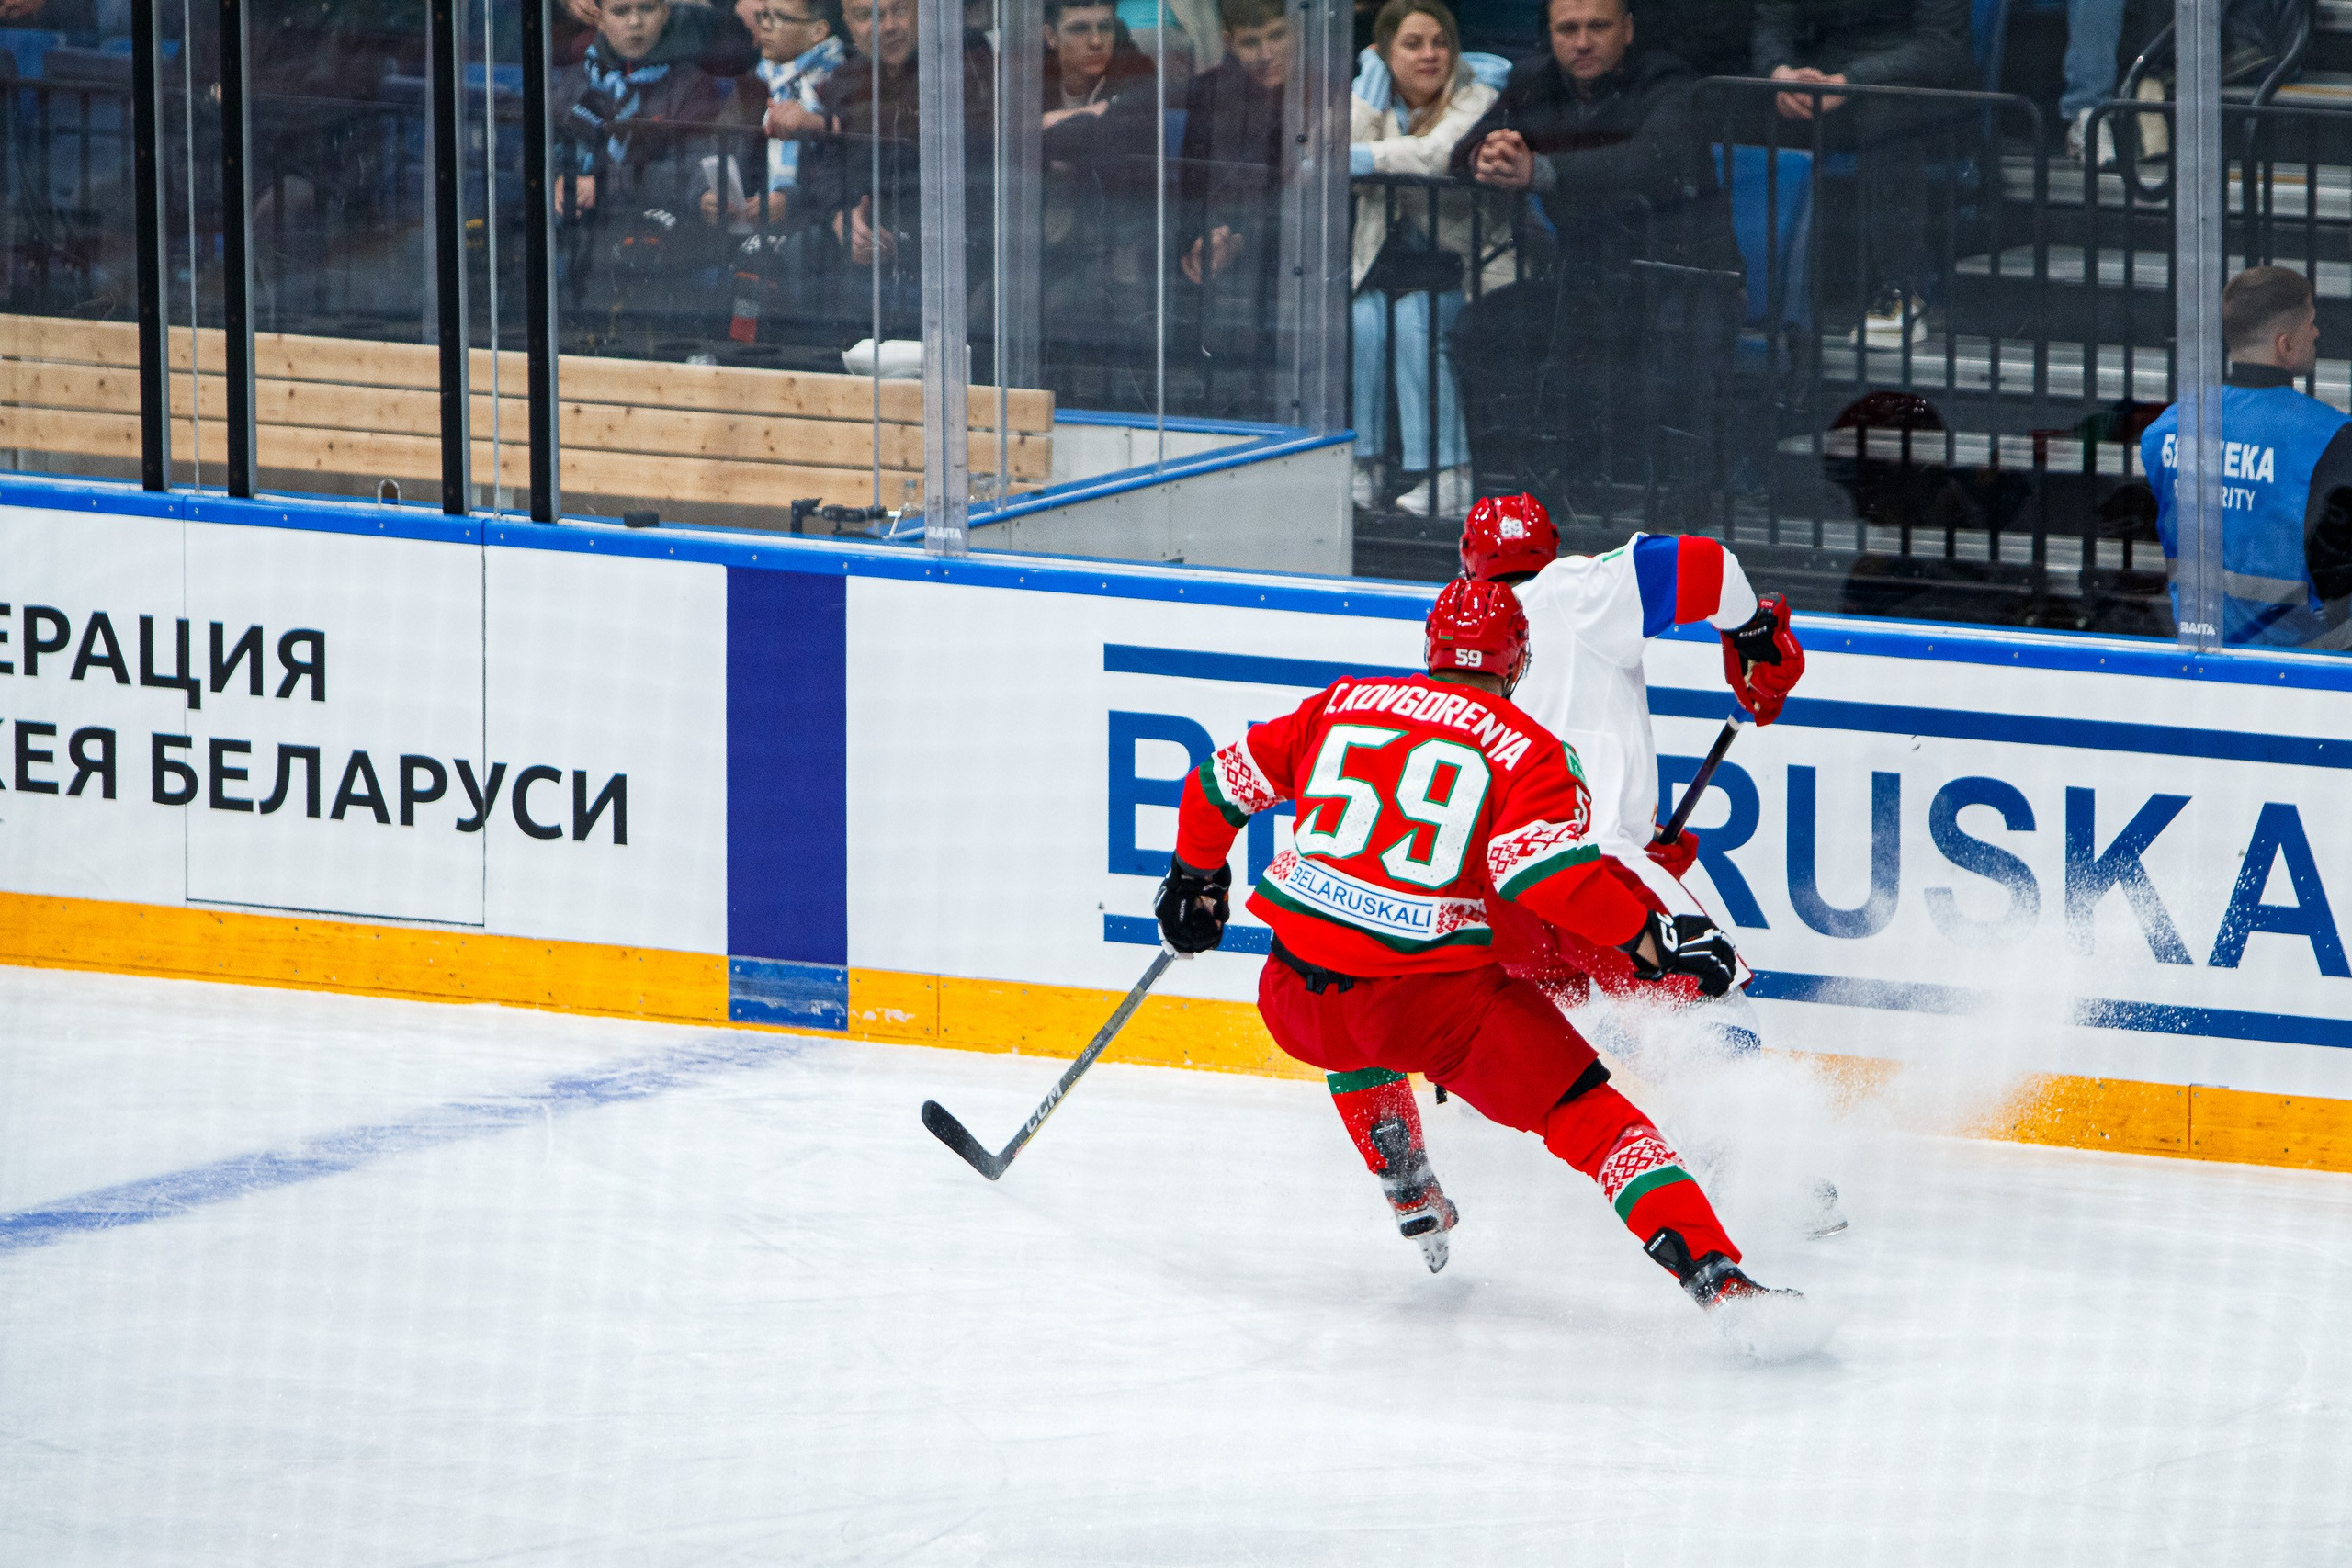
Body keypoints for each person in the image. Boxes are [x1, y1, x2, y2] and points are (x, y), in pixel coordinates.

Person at [1154, 577, 1810, 1335]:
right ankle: (1719, 1280)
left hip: (1291, 998)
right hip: (1430, 1011)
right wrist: (1652, 938)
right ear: (1518, 661)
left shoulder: (1340, 703)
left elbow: (1216, 784)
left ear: (1430, 649)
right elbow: (1544, 876)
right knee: (1593, 1118)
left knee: (1350, 1015)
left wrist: (1195, 881)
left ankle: (1407, 1181)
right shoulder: (1531, 749)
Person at [1455, 494, 1848, 1237]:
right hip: (1589, 867)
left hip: (1494, 900)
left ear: (1468, 562)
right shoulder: (1577, 590)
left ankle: (1698, 1137)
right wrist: (1752, 630)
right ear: (1551, 547)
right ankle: (1762, 1168)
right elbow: (1708, 565)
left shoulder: (1457, 650)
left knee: (1605, 1005)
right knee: (1703, 992)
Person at [1444, 0, 1742, 506]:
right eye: (1568, 29)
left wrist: (1541, 171)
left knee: (1667, 346)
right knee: (1481, 327)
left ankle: (1678, 508)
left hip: (1688, 277)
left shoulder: (1669, 82)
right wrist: (1487, 154)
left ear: (1627, 29)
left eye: (1597, 27)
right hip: (1586, 278)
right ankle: (1539, 484)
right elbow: (1468, 147)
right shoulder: (1535, 80)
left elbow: (1651, 160)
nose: (1582, 42)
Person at [2143, 266, 2352, 650]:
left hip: (2200, 641)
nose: (2317, 333)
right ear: (2285, 344)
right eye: (2311, 322)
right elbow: (2337, 573)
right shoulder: (2331, 437)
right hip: (2302, 650)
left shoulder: (2167, 430)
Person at [1750, 0, 1976, 348]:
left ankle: (1904, 293)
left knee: (1885, 115)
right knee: (1723, 102)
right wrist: (1780, 73)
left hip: (1920, 91)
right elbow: (1773, 21)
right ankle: (1738, 289)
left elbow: (1941, 45)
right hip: (1824, 85)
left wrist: (1852, 81)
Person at [1350, 0, 1499, 520]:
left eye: (1440, 42)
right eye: (1412, 44)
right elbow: (1334, 151)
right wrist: (1368, 92)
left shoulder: (1479, 93)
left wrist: (1361, 158)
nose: (1430, 54)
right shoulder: (1375, 101)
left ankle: (1448, 475)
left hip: (1473, 266)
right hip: (1388, 268)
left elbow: (1439, 153)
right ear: (1386, 53)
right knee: (1363, 320)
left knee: (1416, 318)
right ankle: (1364, 464)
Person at [1174, 0, 1294, 414]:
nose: (1266, 53)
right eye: (1251, 42)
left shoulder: (1318, 86)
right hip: (1226, 240)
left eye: (1277, 36)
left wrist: (1239, 236)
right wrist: (1200, 238)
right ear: (1228, 42)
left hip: (1289, 243)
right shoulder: (1208, 91)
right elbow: (1193, 182)